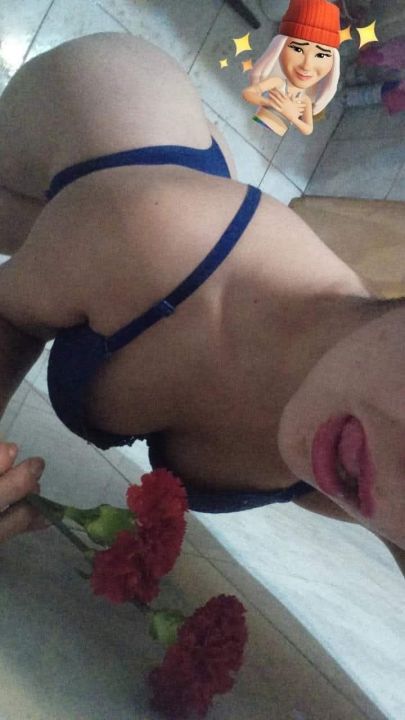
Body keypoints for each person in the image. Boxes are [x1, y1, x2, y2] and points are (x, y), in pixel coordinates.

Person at [0, 33, 404, 575]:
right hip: (100, 112)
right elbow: (9, 313)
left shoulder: (369, 454)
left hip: (142, 232)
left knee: (62, 262)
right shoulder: (154, 234)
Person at [242, 0, 341, 135]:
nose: (307, 65)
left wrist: (292, 116)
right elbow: (248, 93)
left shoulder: (305, 99)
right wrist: (274, 105)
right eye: (298, 49)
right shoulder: (278, 82)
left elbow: (308, 129)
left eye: (321, 55)